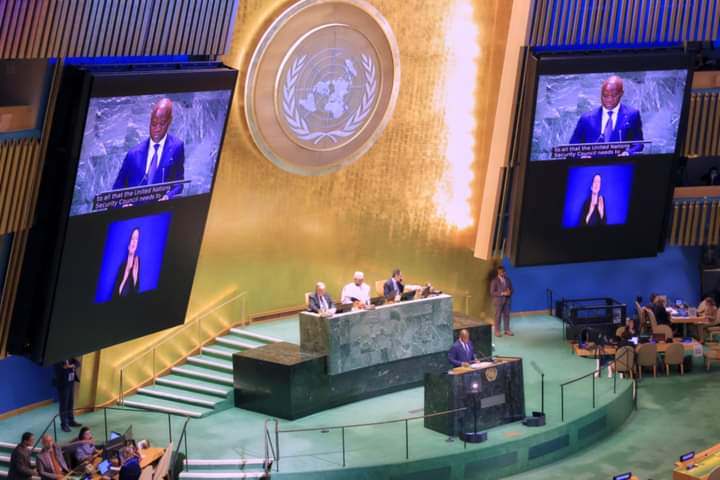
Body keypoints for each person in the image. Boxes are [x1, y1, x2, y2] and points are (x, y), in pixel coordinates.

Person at [112, 98, 185, 200]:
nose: (157, 129)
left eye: (162, 124)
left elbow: (178, 184)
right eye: (154, 124)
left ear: (169, 121)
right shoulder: (133, 154)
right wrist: (124, 204)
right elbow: (117, 189)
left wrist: (168, 196)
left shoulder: (177, 147)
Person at [569, 75, 644, 156]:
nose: (609, 100)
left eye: (613, 96)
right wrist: (582, 156)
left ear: (621, 93)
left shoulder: (632, 115)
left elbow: (638, 144)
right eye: (605, 95)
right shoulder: (586, 119)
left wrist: (628, 153)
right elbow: (572, 147)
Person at [54, 358, 80, 433]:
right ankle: (64, 424)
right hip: (63, 383)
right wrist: (70, 366)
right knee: (64, 404)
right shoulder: (56, 357)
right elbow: (62, 367)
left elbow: (78, 363)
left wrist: (72, 365)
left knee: (70, 402)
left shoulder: (69, 355)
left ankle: (71, 421)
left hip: (70, 381)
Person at [114, 227, 141, 298]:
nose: (134, 241)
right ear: (128, 244)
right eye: (132, 238)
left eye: (136, 239)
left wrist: (135, 277)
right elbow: (115, 294)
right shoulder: (122, 267)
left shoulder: (137, 263)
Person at [490, 266, 513, 337]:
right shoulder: (494, 281)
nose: (504, 273)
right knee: (498, 316)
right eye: (502, 271)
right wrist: (502, 293)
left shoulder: (508, 280)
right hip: (498, 301)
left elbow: (512, 289)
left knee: (507, 315)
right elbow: (492, 292)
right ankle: (497, 331)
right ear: (498, 272)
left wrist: (509, 292)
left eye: (504, 271)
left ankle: (507, 330)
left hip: (507, 301)